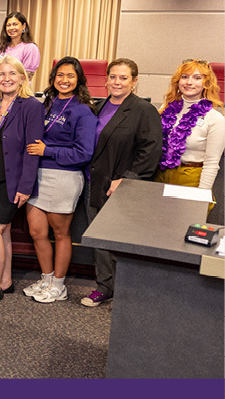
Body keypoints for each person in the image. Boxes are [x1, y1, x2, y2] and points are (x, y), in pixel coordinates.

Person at [82, 58, 161, 308]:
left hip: (121, 186)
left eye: (123, 78)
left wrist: (126, 179)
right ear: (106, 80)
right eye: (113, 77)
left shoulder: (143, 110)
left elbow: (151, 150)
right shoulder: (100, 105)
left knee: (118, 241)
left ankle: (125, 291)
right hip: (94, 181)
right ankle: (104, 286)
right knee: (99, 239)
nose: (117, 82)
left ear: (134, 82)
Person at [23, 57, 98, 304]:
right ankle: (46, 279)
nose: (64, 80)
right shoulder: (46, 104)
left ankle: (59, 284)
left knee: (61, 233)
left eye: (70, 76)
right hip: (37, 174)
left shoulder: (82, 111)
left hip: (64, 176)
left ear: (79, 80)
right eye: (60, 75)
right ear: (53, 78)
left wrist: (49, 151)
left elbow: (83, 153)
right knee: (37, 231)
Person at [0, 55, 43, 306]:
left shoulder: (32, 107)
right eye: (1, 74)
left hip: (12, 180)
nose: (6, 79)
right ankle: (5, 281)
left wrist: (26, 187)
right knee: (2, 231)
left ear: (23, 78)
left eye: (12, 74)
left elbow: (32, 150)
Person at [155, 59, 224, 194]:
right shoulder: (165, 109)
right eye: (184, 77)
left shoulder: (215, 119)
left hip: (190, 180)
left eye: (197, 78)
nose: (189, 82)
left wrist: (201, 194)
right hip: (159, 175)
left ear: (207, 83)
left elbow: (211, 163)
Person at [0, 12, 41, 79]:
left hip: (19, 88)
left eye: (15, 24)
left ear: (23, 26)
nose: (11, 28)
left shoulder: (30, 48)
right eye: (8, 25)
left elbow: (27, 75)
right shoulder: (0, 48)